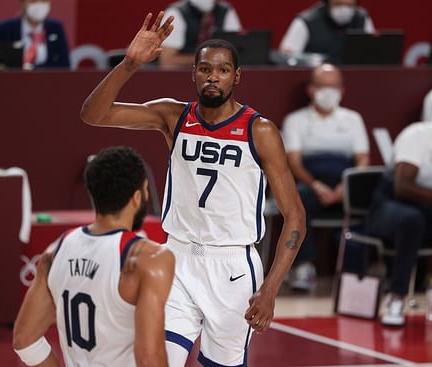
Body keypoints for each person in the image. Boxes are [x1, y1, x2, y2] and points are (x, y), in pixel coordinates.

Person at [80, 11, 306, 367]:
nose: (213, 77)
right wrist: (129, 64)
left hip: (232, 267)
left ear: (236, 76)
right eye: (205, 69)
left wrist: (271, 288)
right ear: (194, 74)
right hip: (178, 258)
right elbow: (93, 115)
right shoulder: (173, 116)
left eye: (222, 70)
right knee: (156, 360)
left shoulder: (259, 131)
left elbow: (295, 216)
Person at [12, 146, 175, 367]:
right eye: (145, 189)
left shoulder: (55, 251)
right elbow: (149, 357)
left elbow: (24, 341)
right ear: (137, 197)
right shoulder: (149, 258)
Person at [282, 63, 369, 292]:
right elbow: (293, 161)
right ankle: (304, 266)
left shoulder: (353, 119)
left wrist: (345, 187)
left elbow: (362, 159)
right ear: (311, 89)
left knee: (371, 200)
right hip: (311, 183)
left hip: (345, 183)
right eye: (323, 86)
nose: (329, 92)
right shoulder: (296, 120)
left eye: (334, 87)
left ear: (342, 90)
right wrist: (316, 185)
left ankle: (356, 273)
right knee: (297, 200)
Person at [367, 122, 432, 326]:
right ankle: (395, 296)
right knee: (411, 220)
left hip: (426, 209)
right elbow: (401, 187)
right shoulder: (419, 134)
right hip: (389, 205)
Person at [279, 0, 375, 64]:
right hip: (316, 79)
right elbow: (287, 55)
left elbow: (373, 53)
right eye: (338, 4)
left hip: (354, 76)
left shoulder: (362, 18)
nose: (344, 9)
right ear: (327, 3)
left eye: (349, 5)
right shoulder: (307, 21)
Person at [159, 0, 241, 68]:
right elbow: (168, 61)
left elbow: (237, 53)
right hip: (183, 76)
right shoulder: (176, 13)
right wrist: (209, 58)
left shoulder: (225, 11)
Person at [0, 0, 70, 69]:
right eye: (33, 1)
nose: (39, 5)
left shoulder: (56, 28)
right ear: (22, 2)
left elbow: (64, 65)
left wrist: (33, 70)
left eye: (44, 1)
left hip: (48, 82)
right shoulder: (4, 29)